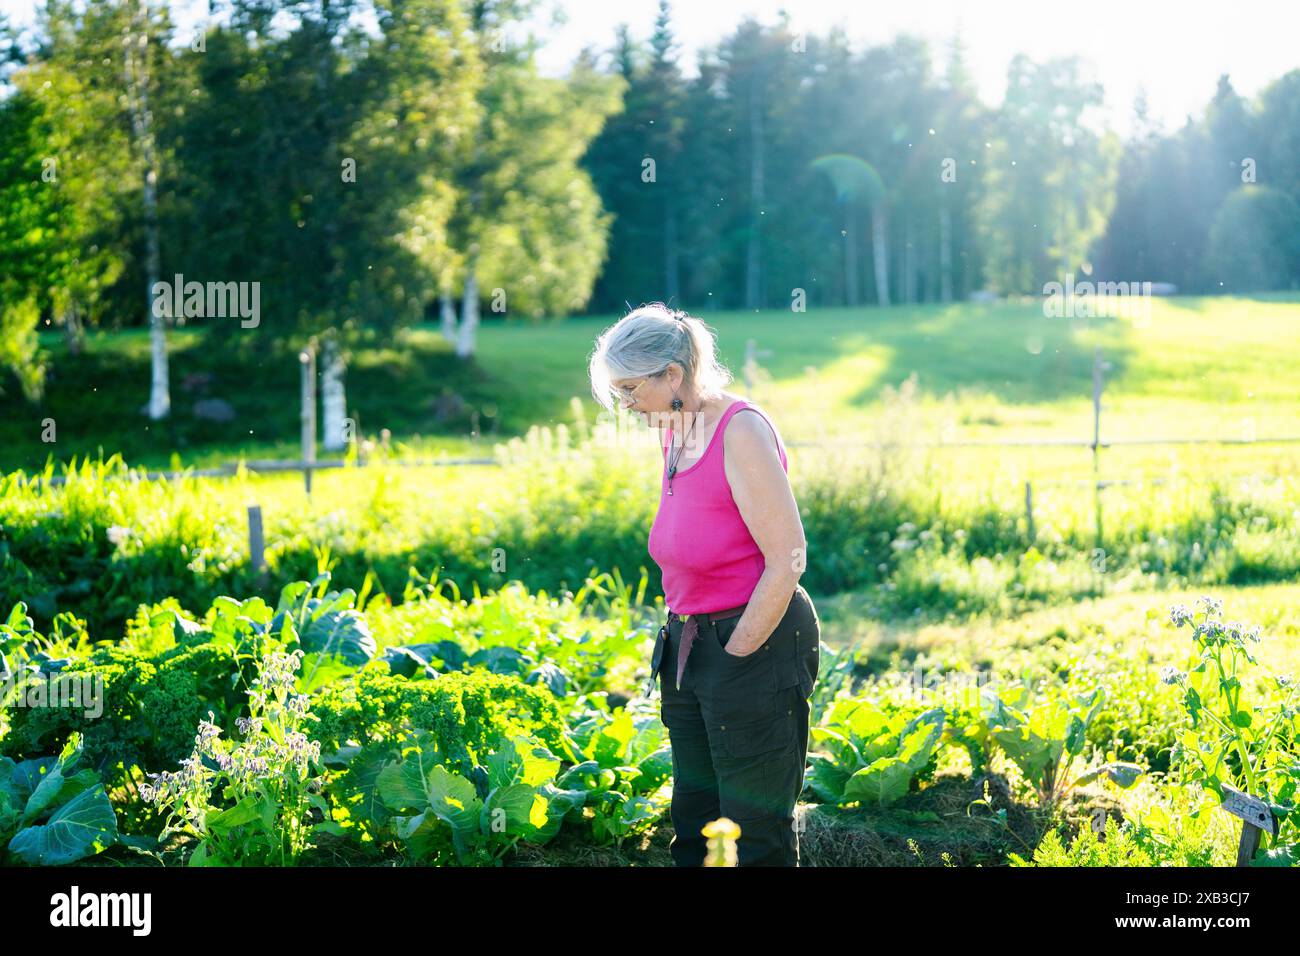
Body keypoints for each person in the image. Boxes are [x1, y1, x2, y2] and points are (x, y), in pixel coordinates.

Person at [587, 302, 821, 866]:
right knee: (695, 819)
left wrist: (737, 653)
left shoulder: (738, 430)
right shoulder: (673, 426)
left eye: (630, 388)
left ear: (673, 375)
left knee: (754, 827)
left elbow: (788, 558)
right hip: (688, 644)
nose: (625, 404)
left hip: (752, 639)